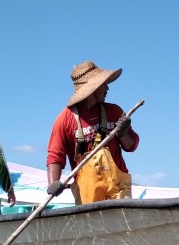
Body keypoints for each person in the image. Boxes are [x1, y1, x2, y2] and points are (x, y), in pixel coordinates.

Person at [46, 61, 139, 204]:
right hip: (87, 194)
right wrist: (53, 183)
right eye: (103, 84)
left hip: (118, 191)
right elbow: (55, 156)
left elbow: (131, 146)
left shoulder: (114, 112)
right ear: (92, 89)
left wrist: (123, 133)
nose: (107, 87)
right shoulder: (64, 120)